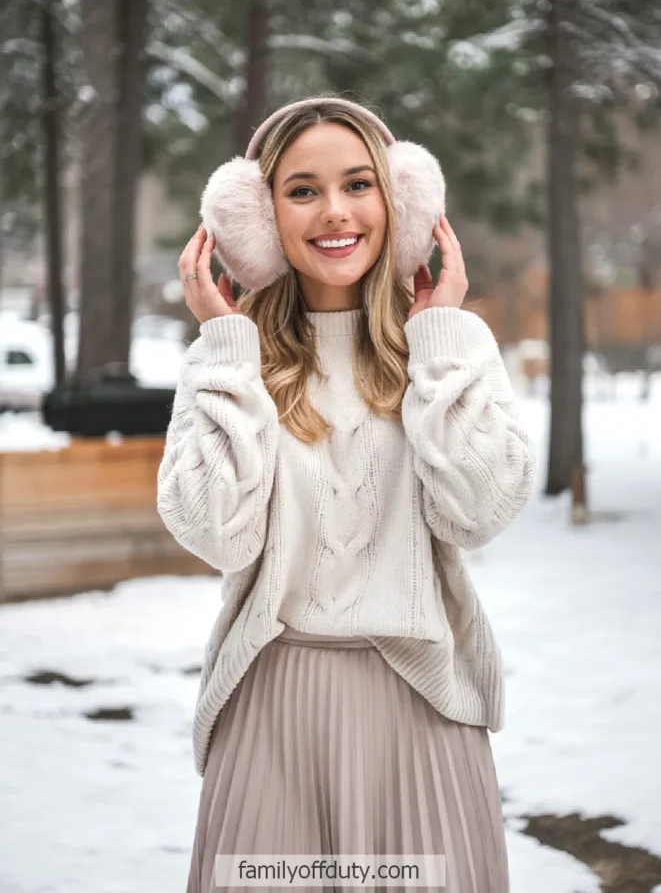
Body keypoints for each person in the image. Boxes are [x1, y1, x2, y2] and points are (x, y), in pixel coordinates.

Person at [157, 97, 537, 893]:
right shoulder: (231, 358)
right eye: (301, 190)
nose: (334, 212)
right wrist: (226, 345)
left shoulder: (445, 347)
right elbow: (215, 533)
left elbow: (479, 511)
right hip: (271, 712)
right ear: (258, 221)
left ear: (398, 205)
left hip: (420, 709)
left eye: (358, 184)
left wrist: (438, 334)